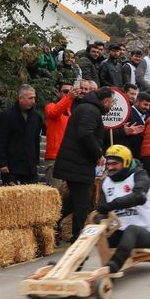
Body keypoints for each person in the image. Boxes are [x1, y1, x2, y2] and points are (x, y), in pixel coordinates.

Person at [54, 87, 113, 241]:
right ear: (105, 101)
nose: (112, 106)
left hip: (76, 163)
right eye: (112, 102)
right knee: (83, 202)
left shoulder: (88, 108)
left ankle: (52, 222)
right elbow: (85, 133)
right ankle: (78, 236)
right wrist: (98, 155)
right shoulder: (90, 110)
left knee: (74, 200)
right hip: (78, 164)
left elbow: (94, 133)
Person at [95, 145, 150, 273]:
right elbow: (102, 209)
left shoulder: (140, 175)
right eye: (109, 163)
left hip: (143, 231)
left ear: (126, 162)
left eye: (115, 164)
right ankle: (70, 265)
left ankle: (115, 265)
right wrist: (99, 220)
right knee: (90, 231)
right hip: (117, 230)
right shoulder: (106, 182)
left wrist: (112, 205)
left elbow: (139, 197)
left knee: (131, 230)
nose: (110, 167)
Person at [0, 84, 43, 184]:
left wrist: (36, 161)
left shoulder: (37, 117)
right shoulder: (7, 116)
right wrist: (2, 163)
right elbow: (0, 141)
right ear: (20, 98)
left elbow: (36, 140)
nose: (33, 101)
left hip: (30, 166)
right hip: (11, 166)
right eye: (30, 98)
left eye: (34, 98)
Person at [44, 82, 80, 187]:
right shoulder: (50, 106)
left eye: (70, 91)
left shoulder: (72, 112)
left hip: (69, 158)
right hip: (54, 158)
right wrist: (69, 97)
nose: (68, 94)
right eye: (65, 92)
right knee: (56, 194)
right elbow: (54, 113)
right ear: (58, 93)